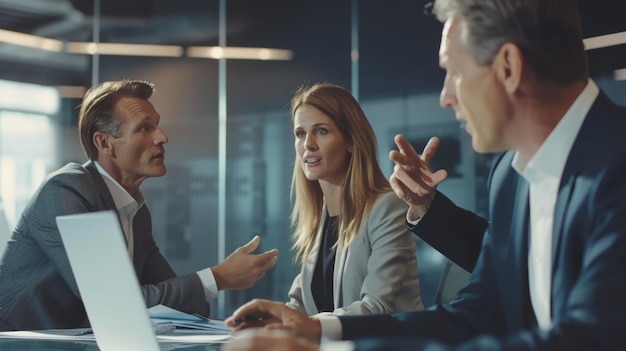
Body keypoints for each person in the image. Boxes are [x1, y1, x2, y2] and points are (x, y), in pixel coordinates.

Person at [221, 0, 626, 350]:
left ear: (508, 67)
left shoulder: (615, 164)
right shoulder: (511, 176)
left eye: (454, 72)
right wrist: (315, 330)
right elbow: (475, 316)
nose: (446, 96)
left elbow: (590, 340)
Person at [0, 80, 278, 331]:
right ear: (105, 143)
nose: (162, 137)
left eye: (157, 125)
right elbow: (116, 305)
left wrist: (224, 298)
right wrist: (218, 278)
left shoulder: (135, 211)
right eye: (145, 128)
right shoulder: (65, 192)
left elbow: (183, 306)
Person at [285, 82, 422, 316]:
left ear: (350, 141)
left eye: (321, 131)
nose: (308, 144)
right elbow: (300, 306)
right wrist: (262, 319)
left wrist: (306, 326)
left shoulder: (386, 207)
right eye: (300, 133)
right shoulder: (320, 216)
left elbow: (376, 308)